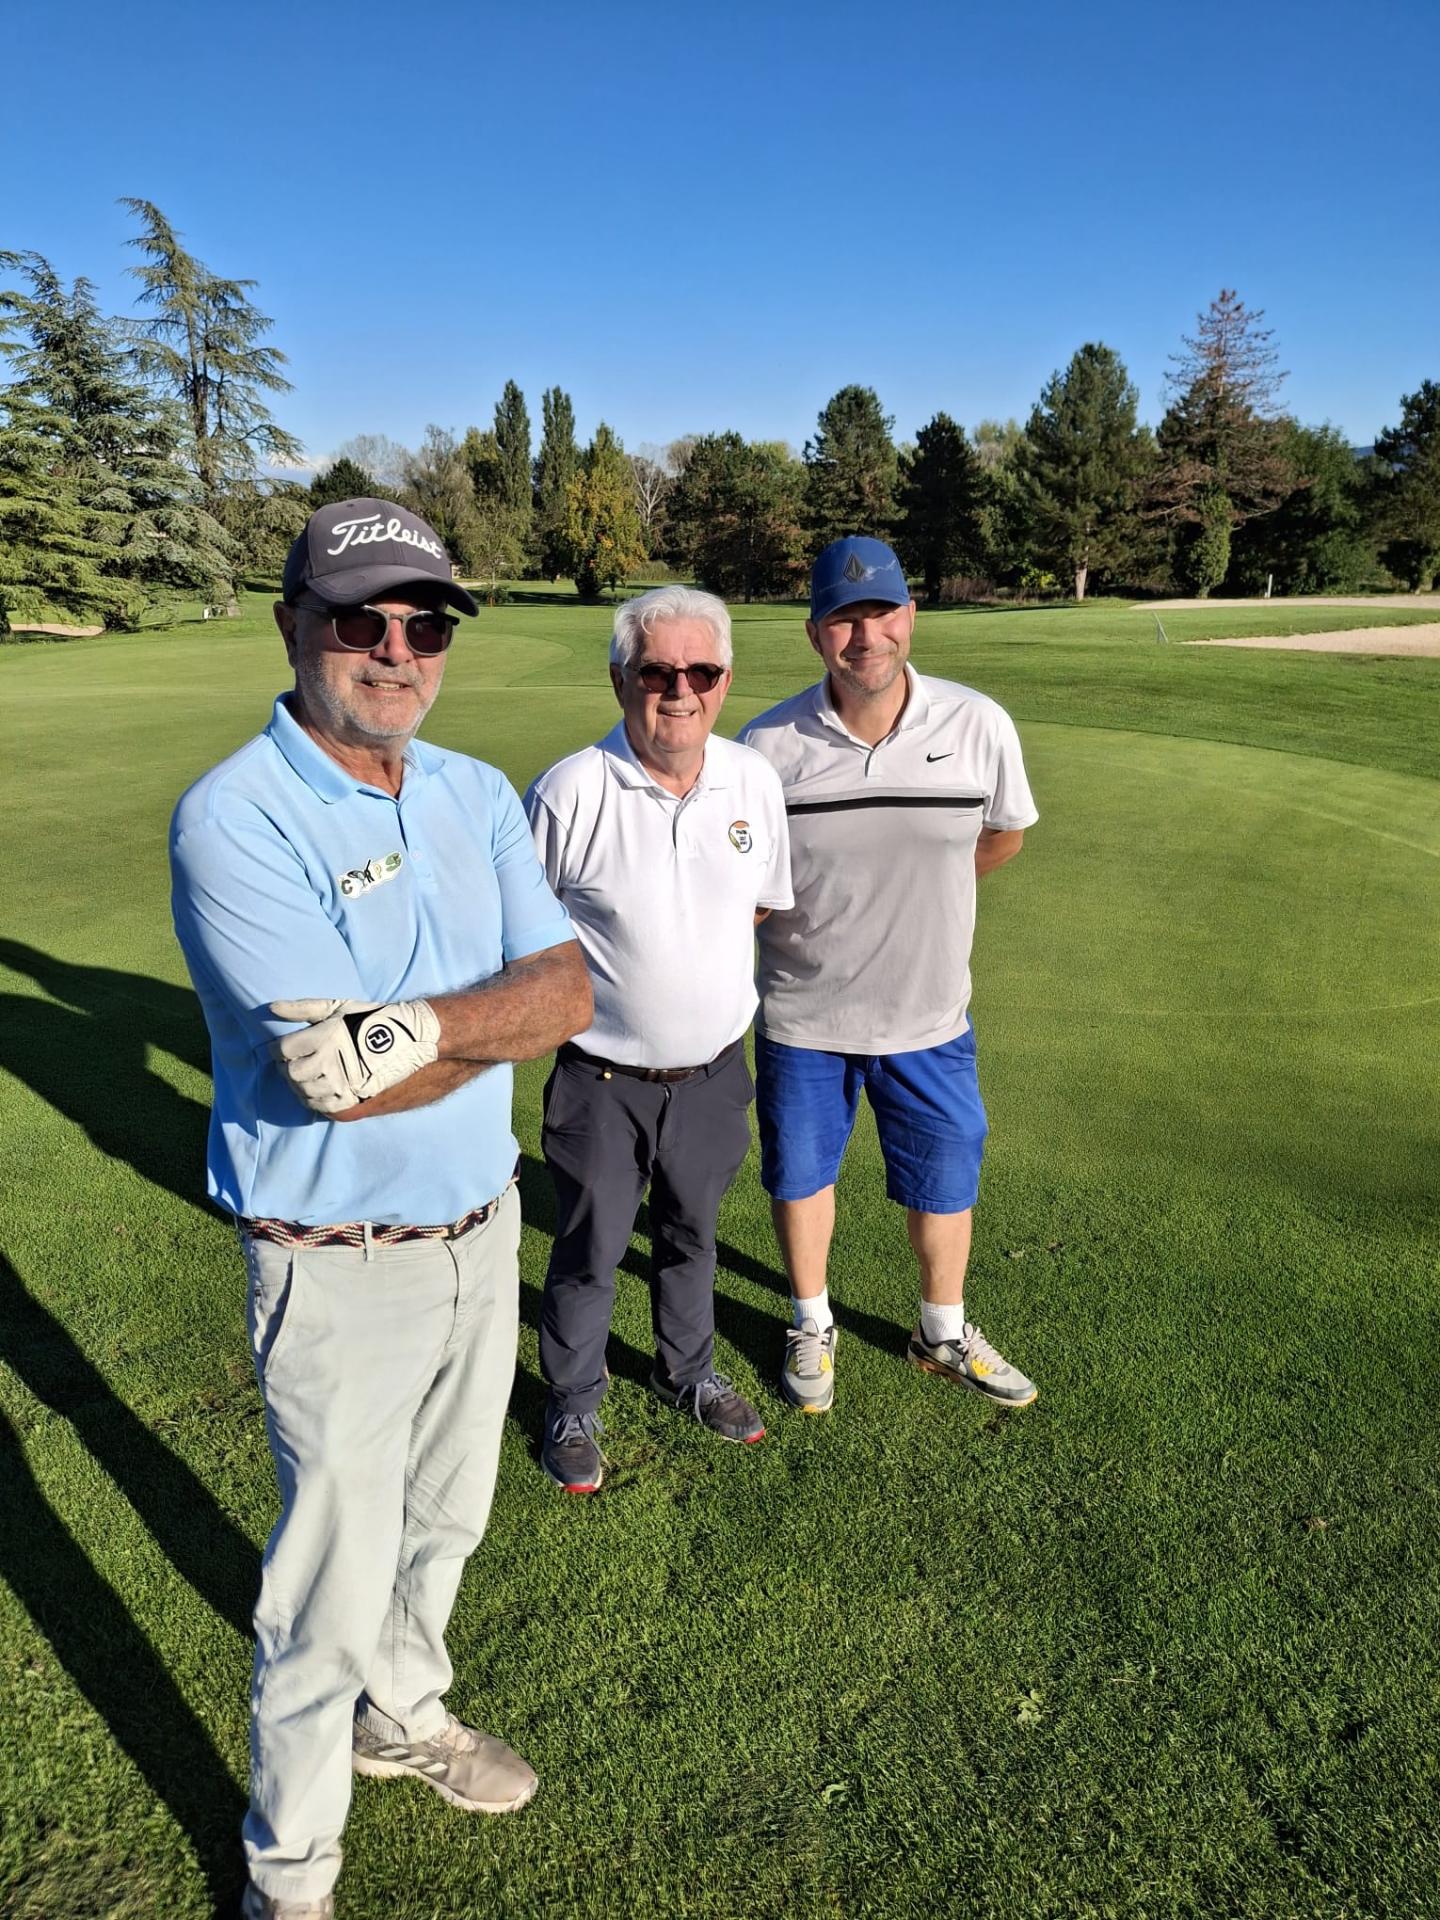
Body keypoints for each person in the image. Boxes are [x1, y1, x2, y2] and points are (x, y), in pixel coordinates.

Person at [169, 498, 591, 1920]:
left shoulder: (473, 791)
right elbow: (333, 1086)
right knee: (324, 1592)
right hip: (334, 1268)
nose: (397, 651)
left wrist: (412, 1031)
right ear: (295, 623)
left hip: (482, 1230)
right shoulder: (237, 816)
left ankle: (401, 1716)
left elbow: (570, 991)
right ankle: (288, 1878)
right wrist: (480, 1025)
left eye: (424, 624)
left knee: (446, 1525)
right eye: (362, 620)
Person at [737, 536, 1039, 1417]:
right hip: (803, 1017)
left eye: (880, 614)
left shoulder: (977, 724)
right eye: (843, 617)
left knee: (946, 1181)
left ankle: (940, 1330)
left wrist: (916, 892)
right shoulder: (767, 746)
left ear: (909, 617)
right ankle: (810, 1321)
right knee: (800, 1177)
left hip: (931, 1017)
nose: (864, 635)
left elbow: (1002, 837)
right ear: (814, 632)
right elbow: (753, 882)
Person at [524, 586, 793, 1493]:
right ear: (620, 678)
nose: (680, 689)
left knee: (694, 1236)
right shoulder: (569, 791)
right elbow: (524, 938)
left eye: (701, 671)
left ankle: (686, 1371)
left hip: (714, 1075)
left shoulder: (753, 779)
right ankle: (573, 1397)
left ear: (724, 681)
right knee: (589, 1247)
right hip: (600, 1079)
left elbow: (754, 903)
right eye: (657, 670)